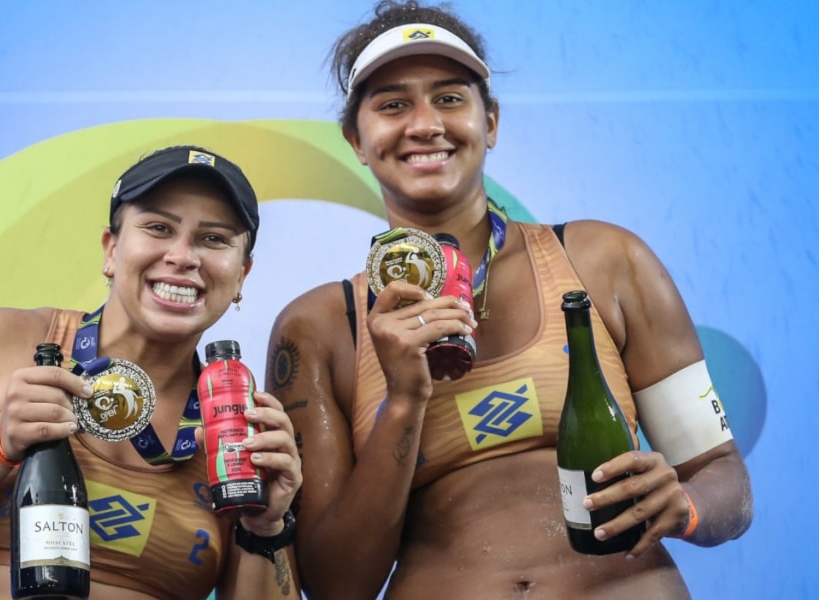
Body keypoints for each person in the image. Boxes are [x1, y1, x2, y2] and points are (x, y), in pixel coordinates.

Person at [265, 2, 753, 599]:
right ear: (356, 140)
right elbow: (338, 585)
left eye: (449, 98)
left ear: (490, 122)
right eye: (393, 104)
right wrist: (406, 400)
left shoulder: (605, 261)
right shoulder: (320, 328)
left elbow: (724, 478)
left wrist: (687, 504)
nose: (424, 124)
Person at [0, 145, 302, 600]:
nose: (183, 256)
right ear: (111, 250)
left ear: (242, 275)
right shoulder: (3, 341)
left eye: (214, 239)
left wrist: (266, 525)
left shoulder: (238, 430)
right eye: (159, 228)